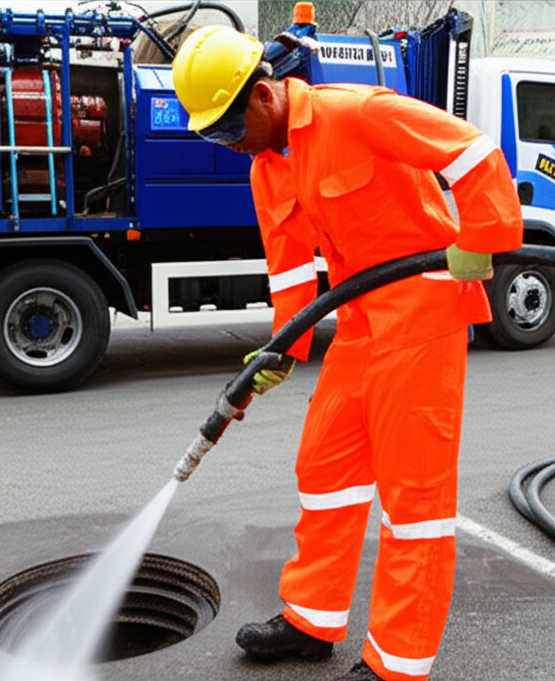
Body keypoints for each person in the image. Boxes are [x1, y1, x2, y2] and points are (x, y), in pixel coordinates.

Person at [171, 23, 523, 681]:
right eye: (211, 136)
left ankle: (396, 662)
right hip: (361, 322)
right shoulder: (267, 170)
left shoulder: (356, 112)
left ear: (263, 94)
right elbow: (289, 272)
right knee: (324, 465)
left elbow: (471, 152)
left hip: (422, 313)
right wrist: (279, 350)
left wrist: (483, 237)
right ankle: (311, 618)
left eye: (226, 128)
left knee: (413, 500)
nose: (229, 144)